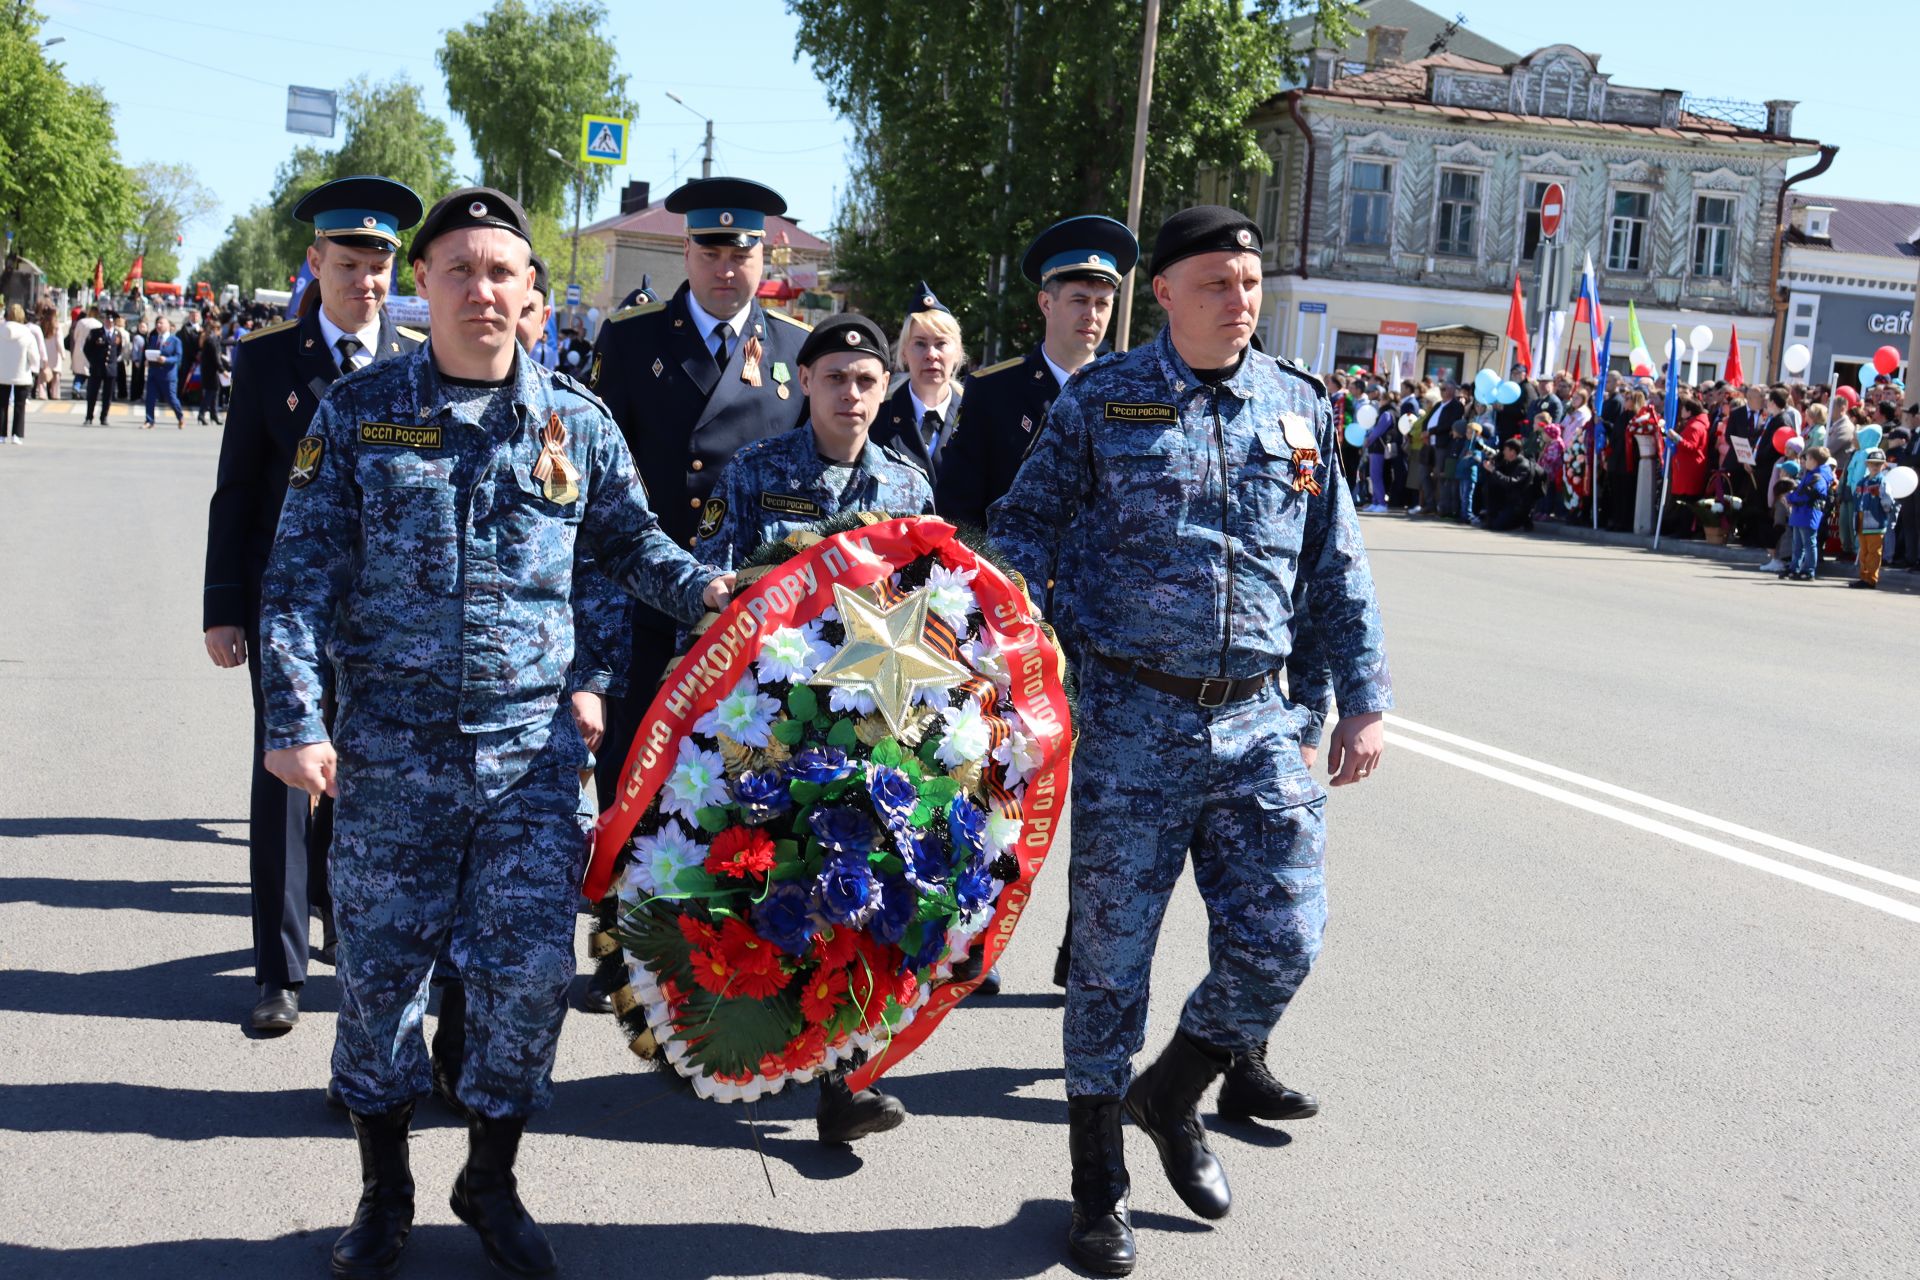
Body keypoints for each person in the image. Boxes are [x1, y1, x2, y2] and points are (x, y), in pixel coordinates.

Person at [259, 186, 736, 1280]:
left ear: (532, 295)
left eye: (502, 271)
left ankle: (491, 1175)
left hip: (530, 765)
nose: (482, 288)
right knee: (380, 985)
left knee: (526, 984)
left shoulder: (576, 421)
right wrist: (296, 718)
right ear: (424, 287)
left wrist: (717, 593)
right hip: (391, 757)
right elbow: (294, 584)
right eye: (460, 269)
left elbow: (634, 549)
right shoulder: (359, 414)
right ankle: (385, 1189)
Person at [990, 205, 1390, 1277]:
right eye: (1214, 281)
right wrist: (1017, 651)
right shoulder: (1100, 400)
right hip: (1131, 720)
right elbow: (1020, 535)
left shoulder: (1300, 407)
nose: (1238, 298)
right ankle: (1095, 1189)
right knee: (1110, 968)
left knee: (1285, 936)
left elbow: (1335, 566)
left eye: (1250, 281)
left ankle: (1172, 1090)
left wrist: (1363, 697)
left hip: (1262, 721)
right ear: (1161, 291)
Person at [690, 313, 937, 1146]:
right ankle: (747, 1040)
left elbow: (933, 614)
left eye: (869, 382)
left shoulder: (908, 488)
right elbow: (716, 577)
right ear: (805, 384)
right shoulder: (758, 471)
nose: (852, 395)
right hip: (768, 723)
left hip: (867, 731)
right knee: (765, 883)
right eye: (835, 378)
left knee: (857, 894)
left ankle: (843, 1078)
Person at [202, 175, 428, 1035]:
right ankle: (279, 973)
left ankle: (350, 929)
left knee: (369, 777)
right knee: (287, 781)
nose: (364, 280)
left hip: (387, 618)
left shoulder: (417, 358)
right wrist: (224, 606)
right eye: (348, 263)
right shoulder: (266, 359)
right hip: (289, 610)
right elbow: (237, 494)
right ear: (314, 263)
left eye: (378, 264)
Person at [586, 175, 810, 829]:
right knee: (632, 803)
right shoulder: (632, 340)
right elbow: (602, 477)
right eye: (710, 253)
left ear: (763, 256)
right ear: (685, 253)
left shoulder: (796, 349)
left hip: (752, 618)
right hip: (648, 609)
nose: (724, 269)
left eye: (739, 254)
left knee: (731, 812)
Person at [936, 214, 1139, 529]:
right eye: (1079, 300)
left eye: (1102, 303)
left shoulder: (1126, 395)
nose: (1092, 315)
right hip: (1011, 573)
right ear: (1046, 303)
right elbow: (958, 510)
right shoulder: (993, 392)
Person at [872, 282, 964, 482]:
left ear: (957, 352)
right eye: (920, 344)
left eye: (941, 343)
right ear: (904, 352)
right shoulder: (877, 417)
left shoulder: (976, 418)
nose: (931, 355)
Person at [1663, 396, 1710, 538]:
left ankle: (1684, 531)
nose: (1681, 411)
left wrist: (1675, 437)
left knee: (1686, 502)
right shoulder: (1694, 424)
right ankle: (1679, 529)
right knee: (1683, 501)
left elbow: (1690, 446)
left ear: (1689, 411)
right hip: (1686, 468)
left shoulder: (1695, 426)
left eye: (1683, 408)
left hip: (1689, 470)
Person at [1851, 448, 1896, 589]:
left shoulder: (1882, 482)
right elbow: (1857, 500)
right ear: (1867, 465)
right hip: (1861, 519)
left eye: (1878, 464)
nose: (1875, 467)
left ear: (1884, 465)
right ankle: (1863, 576)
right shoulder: (1862, 482)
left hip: (1875, 521)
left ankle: (1871, 579)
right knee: (1863, 551)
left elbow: (1888, 501)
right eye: (1872, 464)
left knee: (1874, 551)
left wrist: (1883, 512)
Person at [1784, 445, 1831, 581]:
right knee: (1797, 544)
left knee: (1809, 544)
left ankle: (1809, 570)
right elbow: (1801, 491)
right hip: (1800, 513)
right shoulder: (1809, 474)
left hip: (1808, 513)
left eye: (1808, 458)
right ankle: (1794, 567)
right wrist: (1792, 497)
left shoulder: (1818, 477)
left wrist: (1791, 498)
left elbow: (1808, 494)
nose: (1805, 461)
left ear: (1815, 461)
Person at [0, 303, 42, 443]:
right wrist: (34, 370)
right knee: (20, 405)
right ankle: (17, 435)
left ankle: (1, 435)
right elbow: (33, 356)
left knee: (2, 404)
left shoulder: (0, 330)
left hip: (2, 373)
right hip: (21, 373)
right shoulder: (27, 333)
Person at [1480, 437, 1542, 531]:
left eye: (1505, 450)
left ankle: (1525, 519)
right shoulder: (1508, 461)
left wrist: (1493, 470)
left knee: (1498, 525)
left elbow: (1510, 483)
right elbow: (1498, 478)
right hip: (1508, 499)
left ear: (1512, 452)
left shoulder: (1523, 466)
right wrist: (1493, 466)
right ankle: (1494, 515)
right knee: (1489, 488)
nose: (1503, 452)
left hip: (1519, 503)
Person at [142, 315, 185, 429]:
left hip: (168, 375)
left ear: (169, 326)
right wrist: (148, 360)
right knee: (150, 397)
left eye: (161, 323)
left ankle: (180, 416)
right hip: (153, 373)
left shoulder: (175, 341)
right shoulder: (154, 338)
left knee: (171, 398)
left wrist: (167, 360)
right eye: (157, 323)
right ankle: (149, 421)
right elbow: (151, 352)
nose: (158, 325)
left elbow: (178, 357)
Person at [197, 313, 227, 425]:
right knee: (211, 393)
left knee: (214, 393)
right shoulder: (212, 340)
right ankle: (201, 414)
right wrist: (222, 370)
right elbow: (216, 358)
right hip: (211, 371)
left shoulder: (210, 339)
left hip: (208, 370)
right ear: (217, 329)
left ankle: (213, 415)